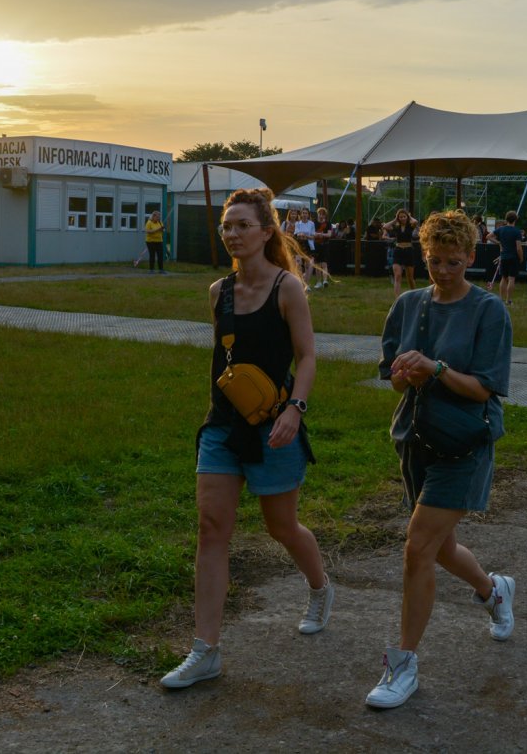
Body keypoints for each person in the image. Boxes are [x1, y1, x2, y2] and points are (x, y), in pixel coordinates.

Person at [161, 188, 331, 690]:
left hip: (276, 426)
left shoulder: (287, 289)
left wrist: (295, 412)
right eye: (226, 226)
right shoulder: (219, 292)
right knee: (211, 529)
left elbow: (308, 357)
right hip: (222, 426)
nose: (232, 234)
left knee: (282, 527)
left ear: (265, 231)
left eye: (242, 225)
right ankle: (205, 650)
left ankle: (320, 587)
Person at [367, 209, 514, 709]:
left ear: (472, 257)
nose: (443, 271)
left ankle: (402, 666)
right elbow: (390, 375)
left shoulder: (489, 311)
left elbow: (484, 391)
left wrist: (435, 369)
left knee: (416, 548)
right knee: (439, 545)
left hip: (465, 444)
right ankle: (493, 591)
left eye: (454, 261)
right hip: (415, 440)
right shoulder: (407, 305)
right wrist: (404, 375)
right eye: (434, 260)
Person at [491, 210, 524, 304]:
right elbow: (518, 248)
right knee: (511, 278)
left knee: (503, 278)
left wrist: (499, 243)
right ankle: (508, 300)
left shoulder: (501, 229)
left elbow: (489, 236)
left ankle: (501, 299)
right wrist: (521, 257)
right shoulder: (517, 231)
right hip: (513, 257)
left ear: (507, 219)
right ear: (515, 220)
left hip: (503, 256)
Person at [388, 208, 420, 297]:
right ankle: (397, 299)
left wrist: (409, 216)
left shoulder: (411, 225)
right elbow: (385, 226)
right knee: (397, 276)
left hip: (408, 251)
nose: (402, 218)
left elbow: (415, 221)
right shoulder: (396, 227)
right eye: (400, 217)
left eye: (404, 216)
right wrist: (395, 220)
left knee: (410, 277)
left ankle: (415, 295)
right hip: (398, 251)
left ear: (407, 217)